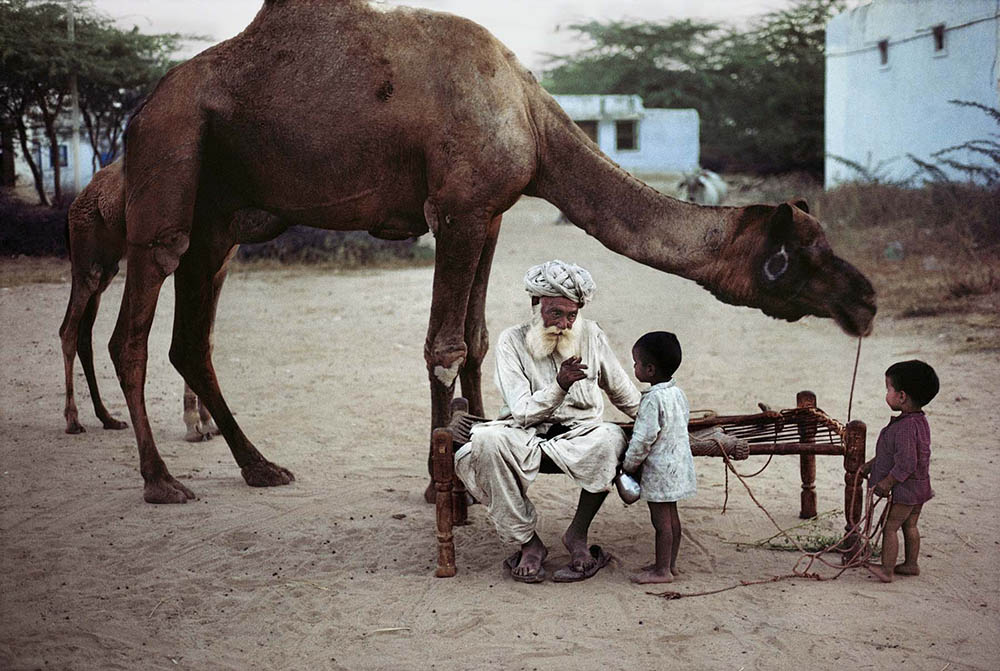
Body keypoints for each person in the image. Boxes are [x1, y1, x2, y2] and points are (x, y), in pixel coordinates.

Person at [454, 260, 641, 583]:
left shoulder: (591, 334)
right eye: (555, 313)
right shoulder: (511, 341)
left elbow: (622, 391)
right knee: (484, 443)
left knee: (610, 440)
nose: (564, 324)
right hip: (524, 431)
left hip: (582, 433)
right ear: (535, 305)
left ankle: (577, 537)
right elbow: (523, 410)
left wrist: (657, 420)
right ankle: (529, 544)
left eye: (572, 314)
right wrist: (560, 385)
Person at [620, 331, 696, 584]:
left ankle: (662, 572)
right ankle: (669, 565)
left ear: (650, 370)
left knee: (661, 522)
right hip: (678, 465)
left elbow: (643, 439)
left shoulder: (652, 400)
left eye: (637, 363)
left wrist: (629, 465)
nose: (634, 367)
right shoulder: (678, 394)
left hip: (660, 470)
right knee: (673, 519)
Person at [862, 359, 939, 583]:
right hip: (920, 487)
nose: (886, 394)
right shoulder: (919, 421)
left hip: (906, 489)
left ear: (902, 396)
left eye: (889, 389)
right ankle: (911, 564)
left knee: (890, 527)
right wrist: (871, 465)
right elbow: (894, 455)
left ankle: (887, 571)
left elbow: (906, 462)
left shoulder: (904, 428)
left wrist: (887, 482)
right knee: (911, 524)